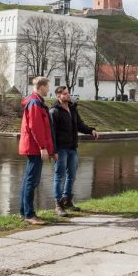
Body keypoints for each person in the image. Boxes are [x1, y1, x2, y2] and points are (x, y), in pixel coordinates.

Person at [49, 85, 99, 215]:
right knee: (60, 176)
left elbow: (80, 125)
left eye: (68, 93)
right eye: (64, 94)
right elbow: (51, 133)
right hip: (60, 149)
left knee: (72, 175)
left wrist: (91, 130)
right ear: (58, 96)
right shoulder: (54, 111)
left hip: (72, 147)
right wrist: (53, 151)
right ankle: (58, 205)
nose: (67, 95)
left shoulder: (72, 108)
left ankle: (67, 201)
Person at [18, 76, 55, 225]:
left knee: (29, 180)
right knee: (32, 181)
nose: (48, 89)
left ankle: (24, 212)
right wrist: (43, 147)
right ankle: (29, 214)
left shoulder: (36, 102)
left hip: (33, 146)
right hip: (34, 147)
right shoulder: (35, 103)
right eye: (47, 86)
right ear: (41, 87)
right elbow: (36, 128)